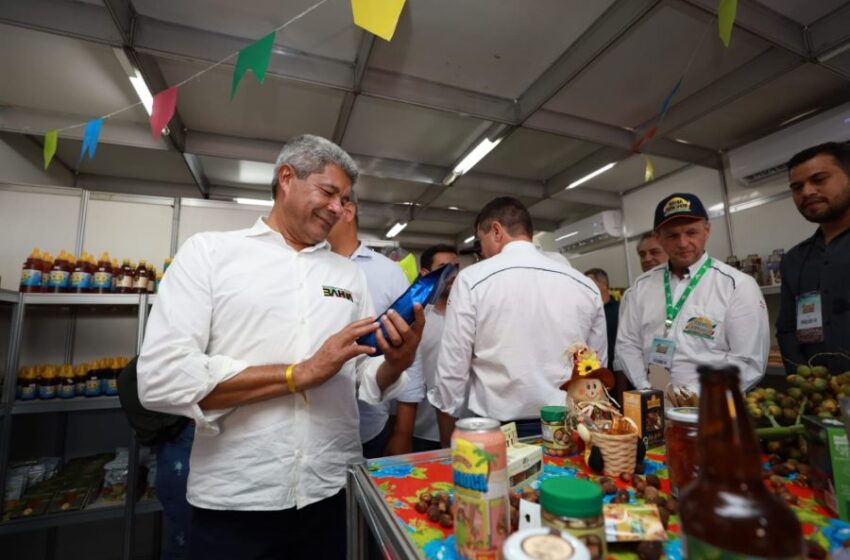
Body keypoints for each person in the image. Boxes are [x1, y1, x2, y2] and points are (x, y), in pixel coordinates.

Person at [136, 134, 423, 560]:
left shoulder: (348, 276)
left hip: (329, 492)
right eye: (328, 191)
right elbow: (161, 379)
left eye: (343, 199)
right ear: (286, 178)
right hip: (237, 501)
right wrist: (297, 374)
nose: (337, 208)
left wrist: (394, 364)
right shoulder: (211, 254)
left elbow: (361, 381)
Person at [429, 197, 607, 443]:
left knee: (502, 482)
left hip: (499, 429)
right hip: (569, 425)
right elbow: (595, 364)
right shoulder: (584, 286)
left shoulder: (472, 280)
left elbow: (453, 365)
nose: (482, 251)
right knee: (564, 481)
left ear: (496, 231)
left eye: (481, 242)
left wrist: (448, 412)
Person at [615, 193, 769, 393]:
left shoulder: (737, 285)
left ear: (707, 230)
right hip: (655, 404)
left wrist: (700, 400)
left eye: (691, 232)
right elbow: (627, 345)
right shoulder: (641, 287)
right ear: (658, 237)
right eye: (672, 235)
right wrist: (646, 389)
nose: (683, 243)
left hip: (713, 407)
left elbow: (747, 359)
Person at [326, 189, 410, 458]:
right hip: (316, 430)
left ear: (347, 211)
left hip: (371, 427)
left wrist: (402, 432)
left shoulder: (388, 272)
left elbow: (409, 357)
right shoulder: (307, 267)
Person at [776, 142, 850, 374]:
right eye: (797, 187)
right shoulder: (794, 260)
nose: (807, 192)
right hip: (820, 400)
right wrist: (805, 381)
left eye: (819, 179)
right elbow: (788, 329)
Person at [386, 244, 459, 455]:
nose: (452, 274)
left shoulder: (469, 315)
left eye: (455, 267)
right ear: (425, 274)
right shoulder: (413, 320)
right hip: (421, 432)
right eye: (444, 268)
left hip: (467, 429)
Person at [585, 268, 618, 370]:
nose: (585, 287)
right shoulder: (587, 313)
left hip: (621, 369)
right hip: (596, 370)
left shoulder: (621, 310)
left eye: (589, 283)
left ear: (604, 285)